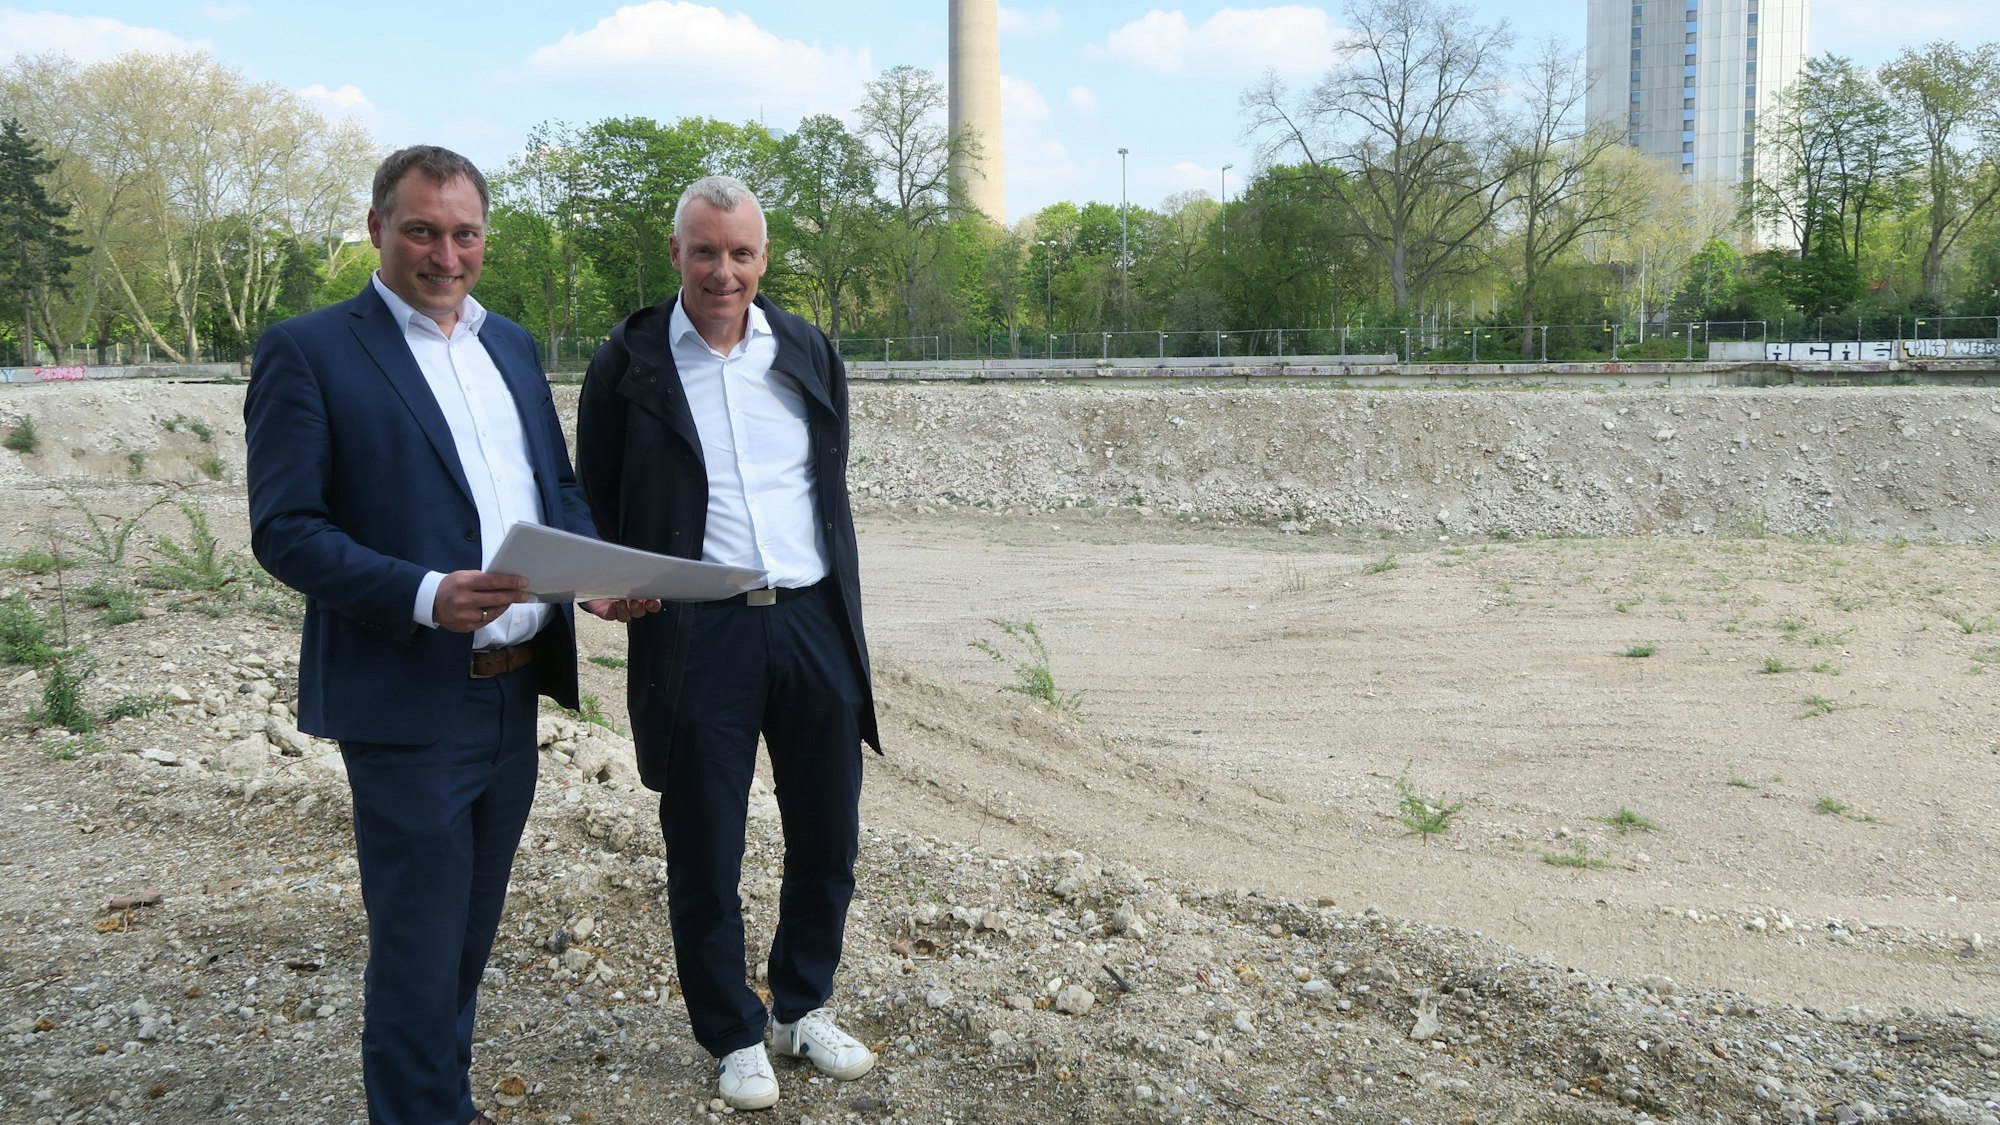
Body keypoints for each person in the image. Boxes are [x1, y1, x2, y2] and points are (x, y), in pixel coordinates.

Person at [245, 144, 654, 1125]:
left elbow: (553, 490)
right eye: (421, 230)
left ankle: (441, 1096)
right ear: (378, 227)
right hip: (407, 700)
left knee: (467, 935)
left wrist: (593, 574)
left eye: (463, 232)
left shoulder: (506, 345)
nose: (444, 252)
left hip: (511, 696)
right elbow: (284, 529)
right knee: (421, 946)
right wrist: (425, 594)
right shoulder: (309, 349)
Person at [575, 174, 881, 1112]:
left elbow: (822, 484)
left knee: (827, 830)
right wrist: (602, 576)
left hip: (813, 619)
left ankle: (800, 1004)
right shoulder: (627, 363)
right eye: (704, 251)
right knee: (705, 839)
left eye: (740, 252)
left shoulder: (806, 349)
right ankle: (731, 1030)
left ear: (763, 257)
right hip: (698, 627)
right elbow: (594, 495)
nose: (723, 270)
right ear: (676, 254)